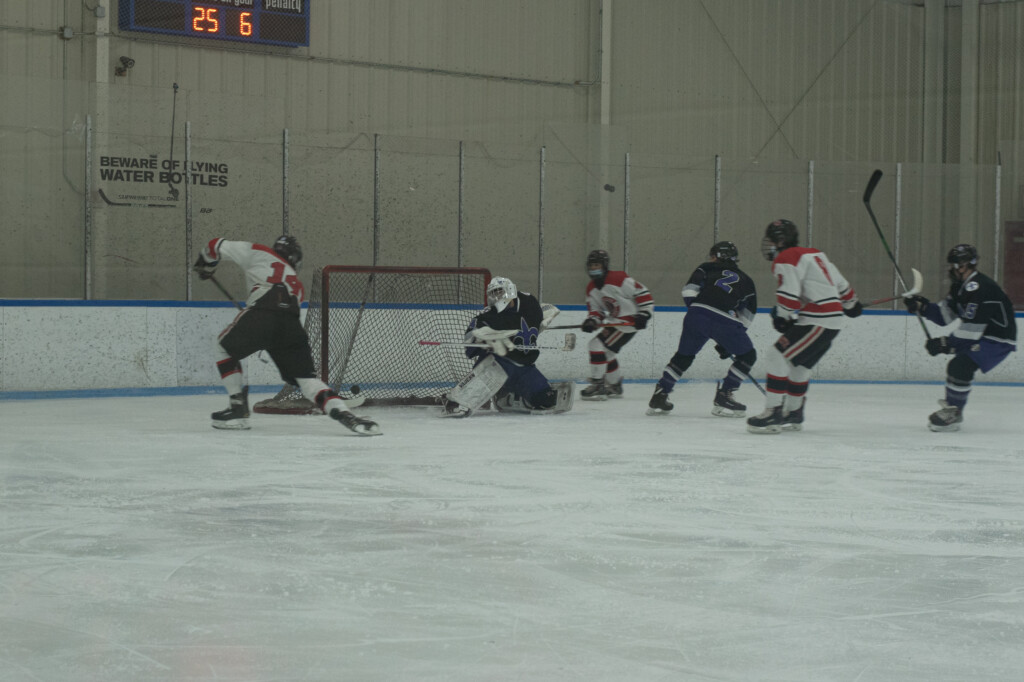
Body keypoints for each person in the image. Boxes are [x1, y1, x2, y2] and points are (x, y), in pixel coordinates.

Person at [193, 235, 381, 435]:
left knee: (223, 348)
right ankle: (345, 414)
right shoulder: (296, 285)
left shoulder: (258, 251)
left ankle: (237, 406)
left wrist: (207, 263)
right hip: (291, 325)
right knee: (307, 381)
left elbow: (215, 245)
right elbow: (281, 315)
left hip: (261, 314)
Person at [746, 219, 862, 434]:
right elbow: (840, 284)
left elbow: (789, 294)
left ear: (780, 240)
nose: (769, 245)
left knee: (776, 355)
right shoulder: (816, 254)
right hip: (829, 320)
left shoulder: (786, 257)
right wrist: (852, 303)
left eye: (772, 240)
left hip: (817, 319)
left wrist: (782, 316)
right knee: (799, 365)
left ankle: (773, 412)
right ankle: (793, 413)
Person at [904, 244, 1017, 432]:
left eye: (957, 264)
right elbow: (944, 315)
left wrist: (945, 344)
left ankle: (954, 414)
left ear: (968, 265)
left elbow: (971, 330)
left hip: (997, 340)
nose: (953, 268)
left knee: (961, 366)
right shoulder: (960, 288)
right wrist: (921, 307)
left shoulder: (981, 288)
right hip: (982, 336)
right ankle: (953, 409)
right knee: (957, 366)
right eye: (952, 264)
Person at [648, 241, 758, 418]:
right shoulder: (747, 281)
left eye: (713, 255)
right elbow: (747, 315)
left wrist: (697, 310)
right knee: (748, 356)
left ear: (718, 256)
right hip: (724, 320)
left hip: (696, 316)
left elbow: (689, 291)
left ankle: (660, 394)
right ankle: (725, 393)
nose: (711, 258)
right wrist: (729, 341)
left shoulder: (706, 268)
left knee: (683, 357)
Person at [440, 276, 573, 417]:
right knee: (491, 369)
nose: (497, 296)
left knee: (546, 400)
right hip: (498, 364)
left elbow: (543, 307)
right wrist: (480, 337)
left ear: (510, 290)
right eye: (493, 293)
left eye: (499, 291)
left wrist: (547, 314)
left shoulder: (529, 303)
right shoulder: (487, 316)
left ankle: (508, 394)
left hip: (524, 367)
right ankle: (455, 400)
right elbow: (469, 348)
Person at [580, 249, 655, 400]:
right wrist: (591, 321)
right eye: (591, 265)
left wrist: (644, 313)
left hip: (628, 323)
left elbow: (642, 292)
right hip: (615, 323)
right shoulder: (591, 288)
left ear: (605, 265)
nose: (594, 268)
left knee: (595, 345)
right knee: (606, 354)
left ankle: (597, 385)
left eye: (597, 265)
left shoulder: (618, 278)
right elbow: (597, 311)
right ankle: (614, 386)